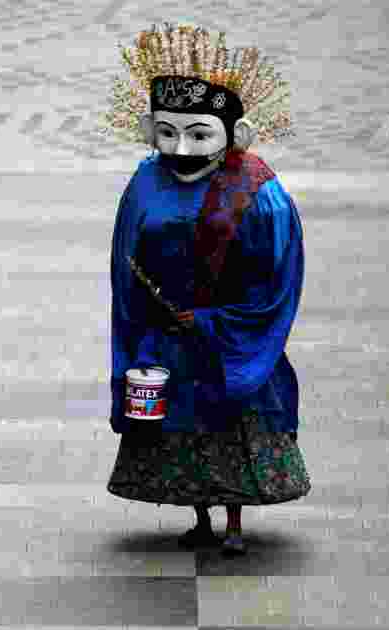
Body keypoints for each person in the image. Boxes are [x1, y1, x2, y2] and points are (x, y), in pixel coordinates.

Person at [103, 23, 311, 555]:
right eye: (168, 134)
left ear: (232, 134)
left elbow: (276, 280)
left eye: (199, 134)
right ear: (151, 130)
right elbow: (125, 263)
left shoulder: (260, 195)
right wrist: (141, 322)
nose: (182, 148)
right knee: (179, 429)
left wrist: (218, 321)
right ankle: (199, 516)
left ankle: (235, 524)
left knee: (230, 425)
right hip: (167, 336)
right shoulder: (146, 182)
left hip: (223, 338)